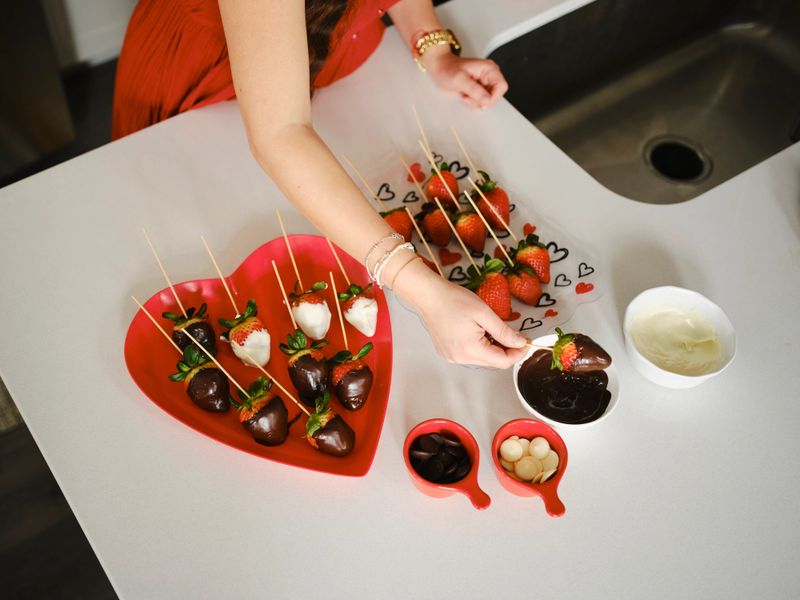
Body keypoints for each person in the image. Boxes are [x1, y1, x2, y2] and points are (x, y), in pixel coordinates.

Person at [113, 0, 528, 368]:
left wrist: (434, 49)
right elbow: (281, 133)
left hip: (338, 61)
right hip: (209, 94)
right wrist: (427, 294)